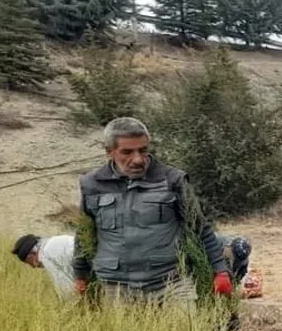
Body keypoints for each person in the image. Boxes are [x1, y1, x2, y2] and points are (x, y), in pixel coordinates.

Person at [72, 117, 232, 307]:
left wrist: (220, 271)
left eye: (143, 150)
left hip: (172, 285)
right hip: (115, 289)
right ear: (109, 151)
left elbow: (200, 228)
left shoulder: (173, 180)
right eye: (127, 152)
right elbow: (85, 234)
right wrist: (80, 275)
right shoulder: (91, 184)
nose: (138, 159)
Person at [12, 233, 75, 297]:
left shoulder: (46, 255)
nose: (33, 266)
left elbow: (66, 289)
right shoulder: (54, 241)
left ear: (31, 255)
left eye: (28, 262)